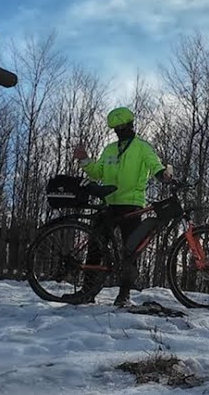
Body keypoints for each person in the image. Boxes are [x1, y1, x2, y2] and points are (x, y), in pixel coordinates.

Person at [73, 106, 172, 306]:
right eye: (116, 129)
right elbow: (97, 173)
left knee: (131, 252)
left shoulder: (142, 147)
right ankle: (87, 291)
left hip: (132, 205)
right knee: (95, 247)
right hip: (108, 204)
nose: (119, 131)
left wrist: (164, 175)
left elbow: (155, 166)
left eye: (122, 127)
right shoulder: (109, 149)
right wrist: (84, 160)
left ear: (130, 125)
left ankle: (124, 294)